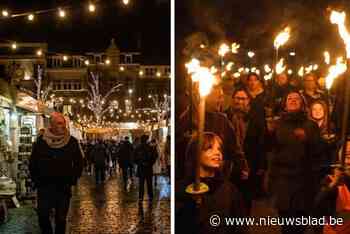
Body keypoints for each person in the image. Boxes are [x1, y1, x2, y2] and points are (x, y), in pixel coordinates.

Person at [269, 91, 323, 234]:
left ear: (303, 104)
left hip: (303, 182)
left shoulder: (310, 125)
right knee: (286, 223)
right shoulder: (278, 124)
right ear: (285, 105)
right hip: (283, 181)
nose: (293, 100)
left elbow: (319, 152)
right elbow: (271, 151)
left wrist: (307, 139)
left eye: (297, 99)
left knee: (299, 224)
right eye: (289, 99)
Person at [176, 132, 246, 234]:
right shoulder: (182, 189)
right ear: (195, 153)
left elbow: (240, 225)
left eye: (219, 149)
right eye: (210, 148)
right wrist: (193, 205)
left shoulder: (229, 190)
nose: (217, 153)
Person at [29, 112, 83, 234]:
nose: (63, 126)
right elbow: (33, 163)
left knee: (61, 219)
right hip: (44, 187)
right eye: (59, 123)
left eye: (64, 123)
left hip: (63, 187)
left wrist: (72, 179)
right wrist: (37, 180)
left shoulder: (72, 142)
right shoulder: (41, 142)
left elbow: (79, 163)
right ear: (52, 125)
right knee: (42, 217)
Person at [225, 88, 267, 213]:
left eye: (243, 98)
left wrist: (261, 164)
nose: (239, 101)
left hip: (249, 162)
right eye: (237, 98)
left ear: (248, 101)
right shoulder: (226, 116)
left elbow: (261, 142)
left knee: (246, 198)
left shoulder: (254, 118)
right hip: (230, 164)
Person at [134, 134, 158, 202]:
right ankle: (150, 196)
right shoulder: (150, 147)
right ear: (146, 140)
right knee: (149, 183)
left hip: (141, 168)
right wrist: (150, 163)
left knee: (141, 184)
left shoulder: (137, 148)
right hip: (148, 168)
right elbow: (155, 156)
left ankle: (141, 197)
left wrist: (140, 163)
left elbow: (134, 159)